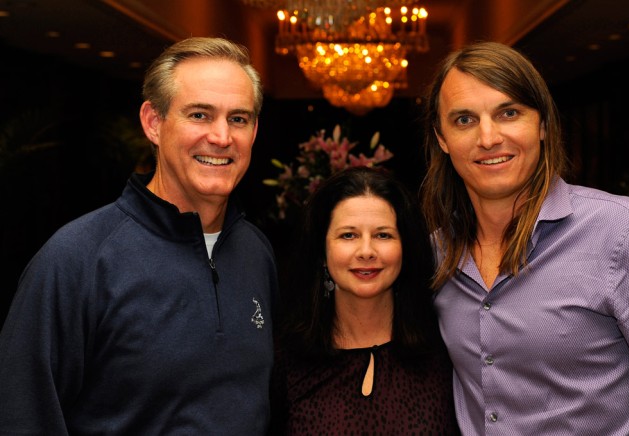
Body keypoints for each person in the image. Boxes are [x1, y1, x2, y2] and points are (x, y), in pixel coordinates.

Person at [419, 41, 629, 435]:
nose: (489, 137)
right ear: (442, 138)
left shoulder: (626, 235)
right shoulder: (435, 254)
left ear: (543, 124)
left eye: (508, 113)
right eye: (464, 120)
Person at [0, 37, 278, 434]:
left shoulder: (256, 251)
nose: (221, 137)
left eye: (239, 118)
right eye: (199, 115)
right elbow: (22, 417)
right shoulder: (77, 259)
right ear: (153, 122)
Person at [268, 166, 460, 435]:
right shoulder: (284, 360)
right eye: (348, 235)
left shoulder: (446, 349)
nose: (366, 251)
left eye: (383, 235)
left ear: (405, 248)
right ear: (322, 251)